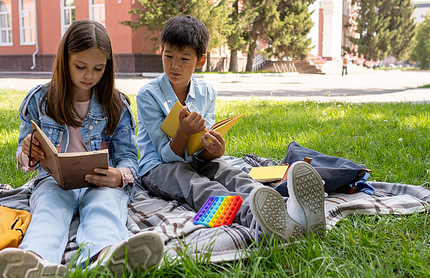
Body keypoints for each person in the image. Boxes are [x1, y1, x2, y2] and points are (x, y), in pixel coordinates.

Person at [0, 20, 164, 278]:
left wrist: (120, 175)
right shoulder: (40, 100)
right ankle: (34, 263)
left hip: (101, 182)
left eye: (98, 68)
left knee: (104, 209)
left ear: (108, 66)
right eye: (80, 66)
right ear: (64, 60)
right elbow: (24, 156)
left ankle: (106, 257)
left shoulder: (116, 105)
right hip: (54, 181)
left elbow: (129, 157)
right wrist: (27, 153)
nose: (89, 75)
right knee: (48, 211)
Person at [136, 15, 326, 243]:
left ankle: (291, 211)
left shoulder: (206, 92)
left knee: (231, 173)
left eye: (184, 58)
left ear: (200, 60)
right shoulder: (148, 95)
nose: (175, 65)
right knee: (199, 186)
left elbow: (201, 150)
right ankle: (260, 222)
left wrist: (213, 151)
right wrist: (183, 132)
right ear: (161, 52)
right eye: (168, 56)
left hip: (197, 161)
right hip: (158, 168)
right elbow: (162, 154)